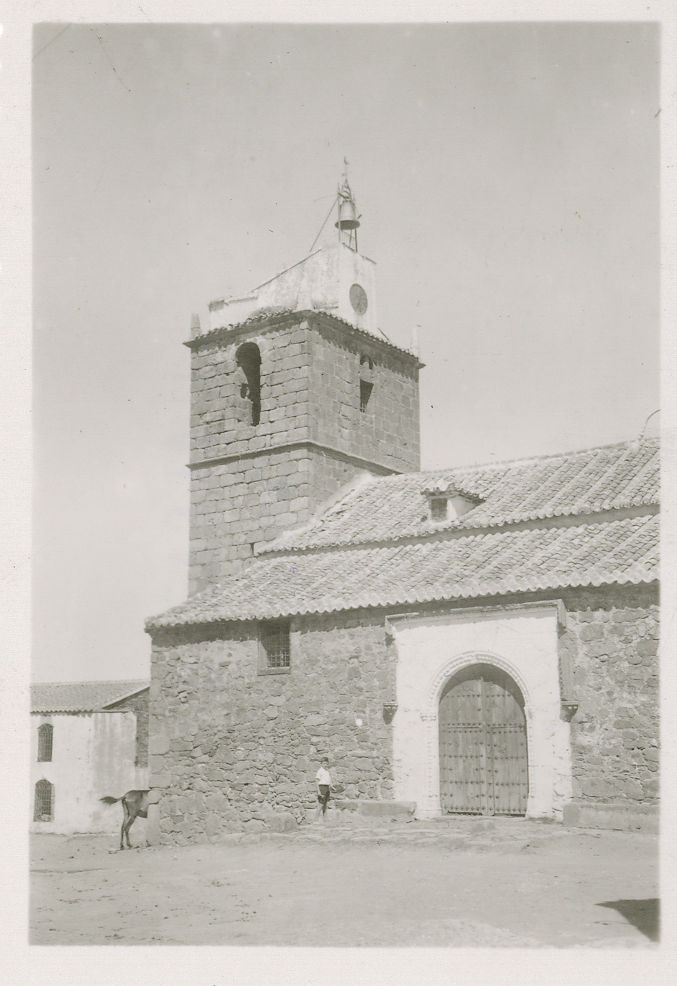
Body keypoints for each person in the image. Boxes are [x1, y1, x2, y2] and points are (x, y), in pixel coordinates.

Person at [315, 757, 332, 821]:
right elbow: (317, 781)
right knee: (320, 804)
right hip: (322, 787)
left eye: (327, 763)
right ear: (321, 764)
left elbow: (328, 781)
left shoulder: (327, 771)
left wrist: (331, 786)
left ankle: (325, 819)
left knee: (325, 804)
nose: (326, 765)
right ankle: (315, 820)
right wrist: (318, 791)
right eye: (324, 763)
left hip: (327, 788)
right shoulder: (320, 771)